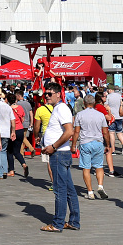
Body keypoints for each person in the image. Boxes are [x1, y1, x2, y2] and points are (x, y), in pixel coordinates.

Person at [39, 83, 78, 232]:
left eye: (49, 93)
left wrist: (53, 146)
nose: (47, 96)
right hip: (61, 153)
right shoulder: (59, 108)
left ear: (58, 94)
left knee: (60, 189)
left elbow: (69, 132)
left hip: (59, 153)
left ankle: (57, 223)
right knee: (68, 189)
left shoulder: (61, 108)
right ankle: (74, 221)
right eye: (45, 94)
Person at [74, 95, 109, 200]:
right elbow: (105, 132)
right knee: (99, 166)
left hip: (85, 142)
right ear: (94, 103)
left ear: (84, 103)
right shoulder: (100, 115)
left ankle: (90, 192)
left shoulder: (79, 115)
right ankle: (100, 186)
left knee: (86, 168)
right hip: (98, 142)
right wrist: (107, 145)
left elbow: (76, 131)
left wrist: (73, 145)